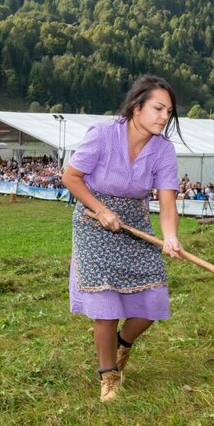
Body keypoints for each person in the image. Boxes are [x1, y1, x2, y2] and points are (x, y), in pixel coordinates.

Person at [62, 74, 184, 402]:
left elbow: (167, 200)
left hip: (135, 226)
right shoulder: (102, 135)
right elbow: (71, 177)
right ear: (136, 107)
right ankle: (109, 376)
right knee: (106, 304)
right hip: (93, 221)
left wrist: (170, 237)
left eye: (168, 112)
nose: (163, 117)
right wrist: (101, 210)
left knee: (153, 301)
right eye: (158, 108)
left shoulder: (163, 151)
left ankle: (121, 345)